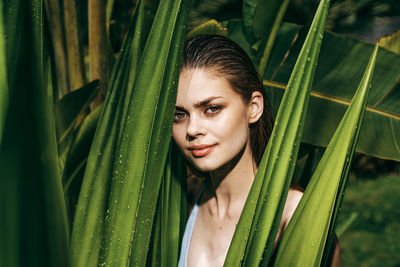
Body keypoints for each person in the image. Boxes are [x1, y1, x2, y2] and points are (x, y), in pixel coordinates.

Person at [172, 34, 341, 267]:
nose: (192, 129)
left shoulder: (296, 215)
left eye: (212, 108)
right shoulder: (184, 197)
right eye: (180, 114)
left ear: (253, 108)